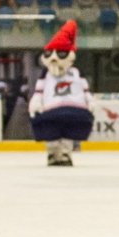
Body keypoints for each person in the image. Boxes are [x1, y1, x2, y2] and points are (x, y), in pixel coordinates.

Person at [29, 20, 94, 167]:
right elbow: (39, 90)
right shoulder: (46, 73)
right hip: (51, 109)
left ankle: (65, 152)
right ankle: (53, 152)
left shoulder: (76, 72)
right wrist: (36, 102)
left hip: (73, 108)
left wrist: (89, 100)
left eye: (61, 53)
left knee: (68, 132)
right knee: (51, 131)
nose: (54, 57)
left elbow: (85, 89)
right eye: (49, 53)